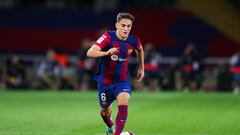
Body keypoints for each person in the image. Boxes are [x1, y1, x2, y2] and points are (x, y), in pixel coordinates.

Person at [87, 12, 144, 135]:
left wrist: (142, 67)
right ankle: (110, 127)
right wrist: (106, 53)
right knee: (105, 112)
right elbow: (90, 52)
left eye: (129, 26)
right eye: (123, 25)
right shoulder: (108, 36)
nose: (126, 29)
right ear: (116, 25)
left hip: (122, 80)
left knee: (124, 101)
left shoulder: (134, 40)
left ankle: (117, 134)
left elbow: (140, 49)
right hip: (105, 81)